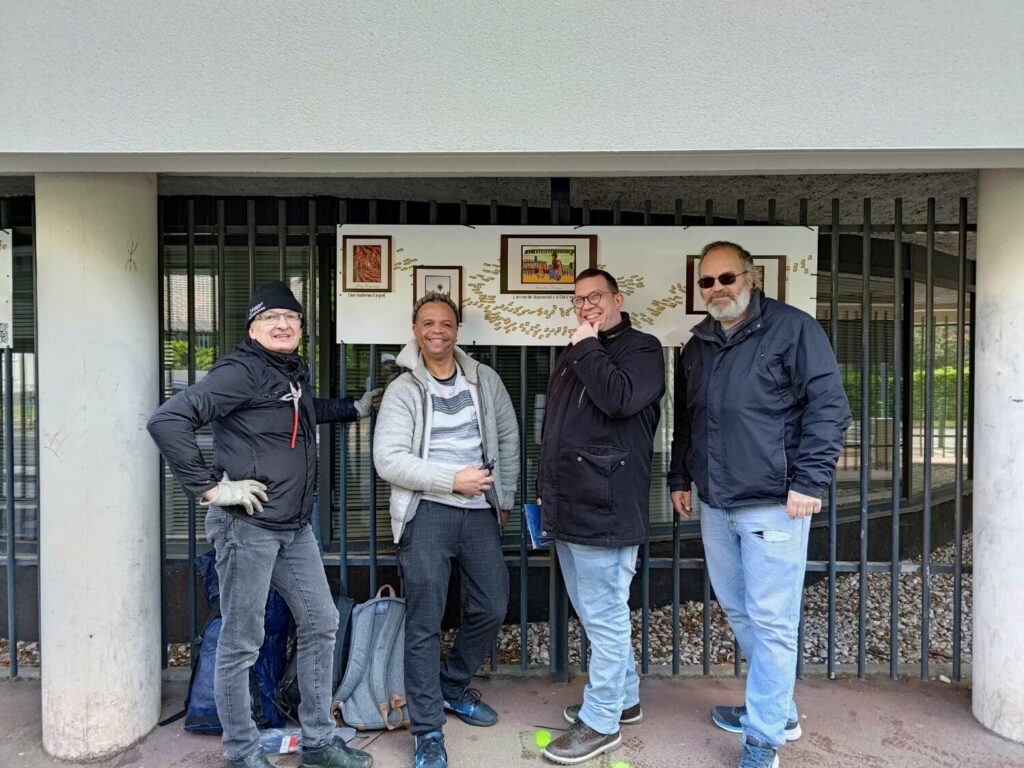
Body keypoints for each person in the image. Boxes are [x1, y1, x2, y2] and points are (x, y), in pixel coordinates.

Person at [148, 281, 379, 768]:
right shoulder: (241, 371)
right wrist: (212, 489)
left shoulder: (288, 369)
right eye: (270, 317)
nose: (282, 324)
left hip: (293, 527)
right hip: (247, 527)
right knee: (242, 642)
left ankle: (318, 743)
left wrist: (354, 408)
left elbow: (301, 411)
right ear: (252, 327)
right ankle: (242, 752)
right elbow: (168, 420)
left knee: (322, 623)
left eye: (291, 318)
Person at [668, 242, 851, 768]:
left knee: (771, 621)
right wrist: (680, 476)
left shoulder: (794, 329)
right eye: (707, 282)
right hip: (715, 503)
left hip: (775, 504)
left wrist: (810, 481)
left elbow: (829, 407)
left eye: (727, 278)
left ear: (751, 278)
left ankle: (763, 739)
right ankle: (778, 709)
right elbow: (688, 421)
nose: (717, 289)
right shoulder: (697, 346)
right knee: (739, 609)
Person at [373, 293, 520, 768]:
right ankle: (427, 730)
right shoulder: (403, 389)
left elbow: (508, 438)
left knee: (492, 604)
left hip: (478, 511)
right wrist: (451, 480)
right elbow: (388, 460)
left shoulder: (484, 380)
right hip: (426, 512)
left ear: (457, 330)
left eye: (446, 323)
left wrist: (504, 499)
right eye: (428, 323)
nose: (437, 330)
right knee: (424, 620)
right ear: (415, 330)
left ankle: (452, 685)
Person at [535, 269, 665, 766]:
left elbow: (618, 399)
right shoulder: (576, 352)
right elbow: (557, 430)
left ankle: (602, 721)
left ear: (618, 298)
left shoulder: (642, 349)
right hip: (569, 505)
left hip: (605, 510)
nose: (585, 305)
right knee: (596, 614)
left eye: (595, 296)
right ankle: (624, 699)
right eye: (578, 299)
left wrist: (586, 346)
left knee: (605, 617)